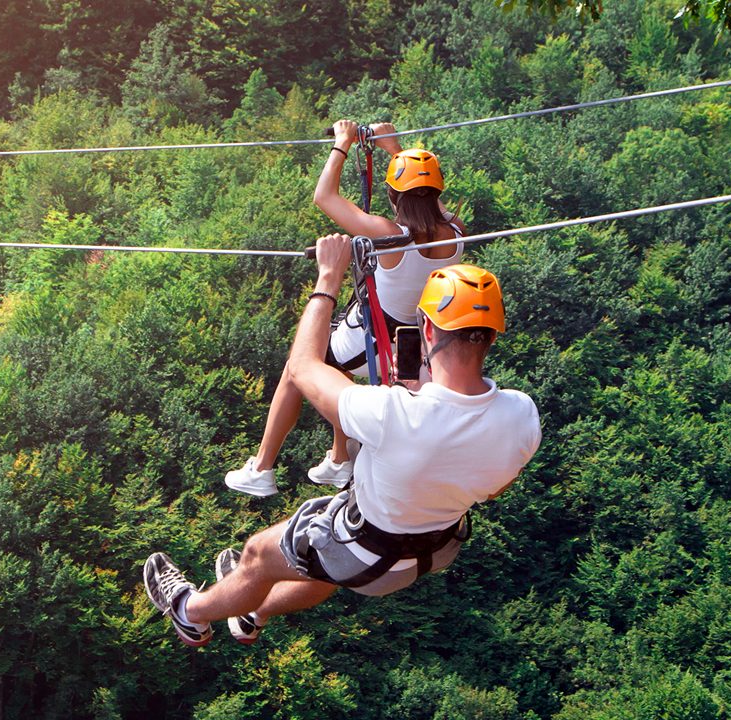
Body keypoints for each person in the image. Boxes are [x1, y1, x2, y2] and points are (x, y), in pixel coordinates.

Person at [145, 237, 541, 646]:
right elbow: (495, 488)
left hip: (365, 551)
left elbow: (302, 367)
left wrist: (328, 278)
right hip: (432, 552)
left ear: (425, 327)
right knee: (323, 564)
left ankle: (189, 613)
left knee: (257, 556)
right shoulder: (522, 416)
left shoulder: (392, 412)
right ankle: (253, 614)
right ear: (492, 336)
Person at [225, 120, 468, 497]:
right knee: (338, 369)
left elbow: (324, 196)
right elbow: (428, 201)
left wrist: (342, 143)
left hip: (374, 338)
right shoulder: (456, 231)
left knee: (298, 367)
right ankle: (340, 458)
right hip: (413, 344)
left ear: (393, 194)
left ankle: (261, 467)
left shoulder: (388, 235)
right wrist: (394, 149)